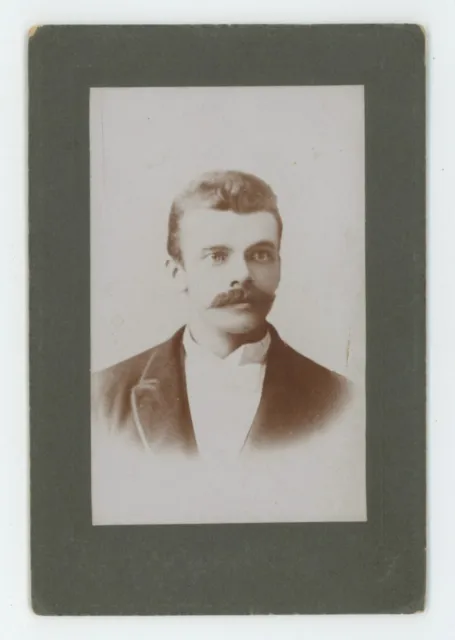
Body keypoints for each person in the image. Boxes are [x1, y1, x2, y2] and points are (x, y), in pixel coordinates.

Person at [91, 170, 350, 457]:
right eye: (217, 256)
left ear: (279, 266)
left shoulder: (342, 400)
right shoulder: (101, 398)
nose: (243, 274)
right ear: (177, 272)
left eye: (261, 254)